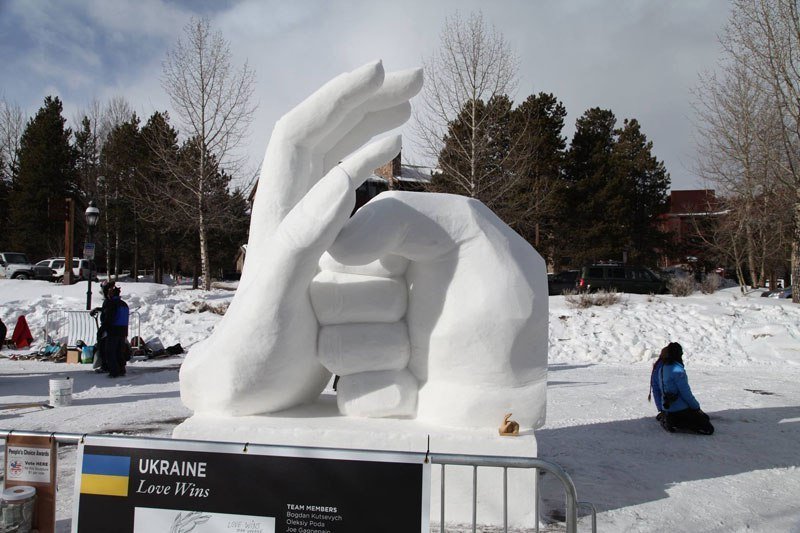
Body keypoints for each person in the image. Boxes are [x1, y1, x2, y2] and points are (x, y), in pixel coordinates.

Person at [649, 342, 714, 435]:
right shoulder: (677, 370)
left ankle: (669, 419)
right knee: (708, 428)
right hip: (680, 409)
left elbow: (656, 389)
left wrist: (661, 409)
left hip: (667, 408)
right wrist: (696, 407)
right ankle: (676, 423)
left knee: (703, 418)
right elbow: (686, 393)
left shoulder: (661, 368)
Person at [90, 280, 130, 378]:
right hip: (123, 330)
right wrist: (99, 310)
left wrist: (102, 330)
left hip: (113, 330)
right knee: (119, 351)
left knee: (110, 351)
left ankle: (113, 371)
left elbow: (109, 317)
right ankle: (121, 369)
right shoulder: (123, 303)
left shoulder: (111, 303)